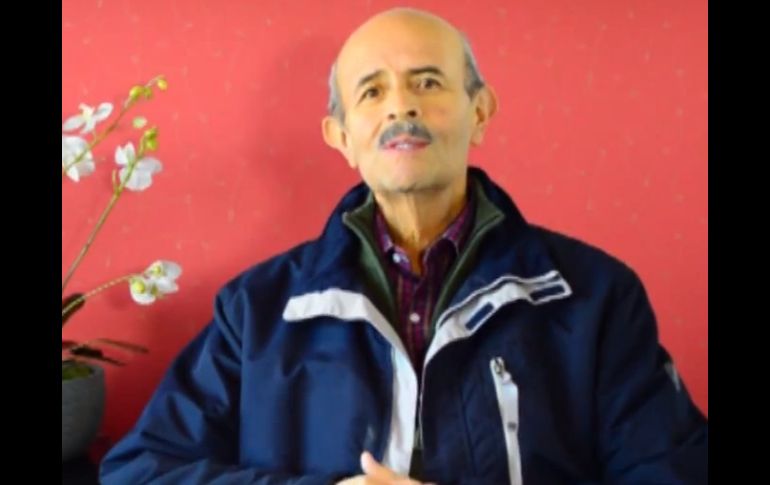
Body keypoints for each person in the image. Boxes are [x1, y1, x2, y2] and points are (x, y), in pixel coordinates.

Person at [100, 7, 708, 484]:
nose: (401, 105)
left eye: (428, 82)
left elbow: (673, 473)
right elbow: (140, 470)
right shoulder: (255, 311)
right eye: (371, 92)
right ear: (341, 136)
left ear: (480, 111)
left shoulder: (596, 297)